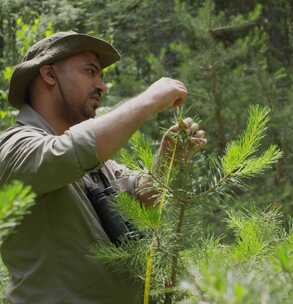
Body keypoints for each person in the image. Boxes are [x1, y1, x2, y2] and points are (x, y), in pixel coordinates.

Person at [0, 31, 206, 303]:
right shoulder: (13, 146)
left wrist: (167, 158)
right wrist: (149, 100)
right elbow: (67, 153)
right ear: (49, 75)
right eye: (90, 72)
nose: (102, 85)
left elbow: (141, 197)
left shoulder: (97, 162)